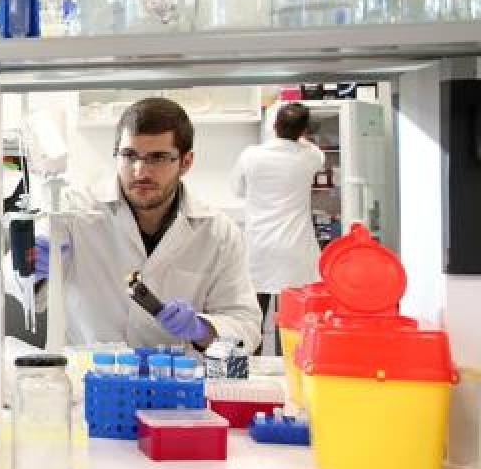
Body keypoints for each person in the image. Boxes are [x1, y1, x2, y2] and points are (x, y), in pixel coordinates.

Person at [34, 98, 262, 353]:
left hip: (176, 375)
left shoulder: (218, 233)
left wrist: (201, 328)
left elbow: (245, 325)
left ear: (186, 162)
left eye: (158, 158)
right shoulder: (72, 212)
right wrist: (31, 266)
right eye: (129, 155)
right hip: (88, 372)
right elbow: (21, 286)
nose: (141, 172)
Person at [231, 102, 326, 353]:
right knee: (291, 322)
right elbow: (312, 150)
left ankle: (252, 367)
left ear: (274, 126)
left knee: (253, 318)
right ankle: (288, 368)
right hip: (295, 249)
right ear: (304, 131)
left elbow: (237, 190)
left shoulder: (251, 156)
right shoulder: (311, 156)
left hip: (259, 246)